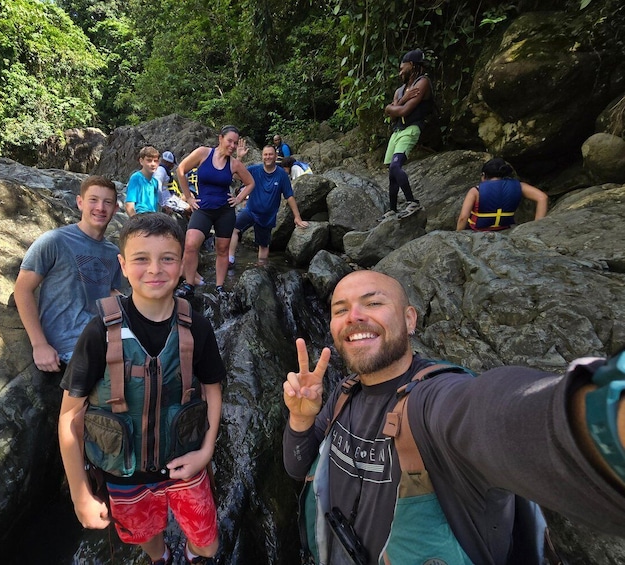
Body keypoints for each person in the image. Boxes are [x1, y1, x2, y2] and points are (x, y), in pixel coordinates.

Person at [283, 269, 625, 564]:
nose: (354, 316)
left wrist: (603, 413)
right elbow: (297, 468)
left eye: (373, 303)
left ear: (409, 319)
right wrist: (301, 419)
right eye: (340, 309)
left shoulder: (436, 400)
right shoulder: (344, 394)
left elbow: (504, 414)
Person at [58, 213, 226, 565]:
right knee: (145, 533)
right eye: (141, 259)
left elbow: (212, 387)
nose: (155, 269)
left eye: (167, 258)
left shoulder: (198, 328)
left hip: (186, 463)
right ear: (122, 264)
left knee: (207, 542)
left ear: (182, 263)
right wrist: (80, 495)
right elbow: (70, 416)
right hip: (124, 471)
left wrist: (206, 451)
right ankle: (161, 556)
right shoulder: (99, 332)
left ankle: (194, 557)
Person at [14, 175, 122, 374]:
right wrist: (39, 345)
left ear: (115, 209)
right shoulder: (54, 240)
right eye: (93, 200)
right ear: (80, 203)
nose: (100, 207)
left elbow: (110, 292)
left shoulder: (113, 253)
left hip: (100, 340)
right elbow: (22, 290)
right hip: (64, 347)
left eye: (108, 202)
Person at [174, 125, 255, 301]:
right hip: (202, 209)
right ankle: (189, 284)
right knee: (190, 245)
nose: (232, 146)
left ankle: (219, 286)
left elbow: (250, 183)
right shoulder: (203, 153)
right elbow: (181, 170)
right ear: (220, 139)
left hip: (225, 211)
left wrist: (239, 198)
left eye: (235, 143)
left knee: (223, 249)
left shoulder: (234, 164)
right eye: (230, 141)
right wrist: (188, 197)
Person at [229, 143, 308, 266]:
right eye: (265, 154)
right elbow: (234, 174)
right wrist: (239, 158)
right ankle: (230, 259)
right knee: (233, 229)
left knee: (263, 245)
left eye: (270, 154)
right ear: (262, 156)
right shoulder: (254, 170)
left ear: (276, 156)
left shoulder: (282, 175)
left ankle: (261, 268)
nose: (268, 157)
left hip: (267, 217)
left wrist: (297, 217)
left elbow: (289, 196)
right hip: (250, 210)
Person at [381, 48, 433, 221]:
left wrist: (394, 107)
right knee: (391, 171)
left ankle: (412, 201)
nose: (400, 72)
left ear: (411, 65)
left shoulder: (422, 82)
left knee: (397, 166)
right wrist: (398, 103)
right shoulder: (400, 90)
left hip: (411, 128)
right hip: (397, 131)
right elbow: (390, 111)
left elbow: (402, 111)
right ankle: (392, 209)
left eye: (402, 68)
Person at [457, 157, 549, 231]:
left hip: (477, 231)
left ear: (484, 175)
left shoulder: (475, 191)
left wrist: (457, 234)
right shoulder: (520, 186)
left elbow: (463, 218)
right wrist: (537, 226)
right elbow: (542, 198)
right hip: (504, 228)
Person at [125, 146, 161, 217]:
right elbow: (129, 205)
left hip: (153, 217)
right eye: (149, 160)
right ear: (141, 161)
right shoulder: (136, 178)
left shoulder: (155, 182)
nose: (153, 164)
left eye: (155, 161)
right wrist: (136, 223)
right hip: (141, 216)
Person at [155, 150, 191, 216]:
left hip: (169, 197)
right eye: (172, 164)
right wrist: (163, 205)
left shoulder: (161, 170)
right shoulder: (161, 171)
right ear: (169, 163)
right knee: (189, 209)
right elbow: (157, 187)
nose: (172, 167)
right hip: (166, 200)